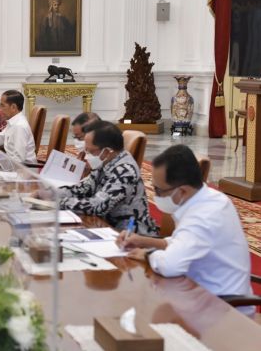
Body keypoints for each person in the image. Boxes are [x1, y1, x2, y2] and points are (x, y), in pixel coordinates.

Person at [117, 145, 254, 315]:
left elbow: (170, 265)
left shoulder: (203, 216)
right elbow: (182, 242)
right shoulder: (208, 198)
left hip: (224, 308)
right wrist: (144, 241)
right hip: (202, 293)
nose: (156, 195)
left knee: (140, 311)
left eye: (159, 190)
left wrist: (147, 255)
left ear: (181, 191)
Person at [58, 120, 157, 235]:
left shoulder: (125, 171)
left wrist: (59, 202)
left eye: (90, 151)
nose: (86, 154)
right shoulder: (106, 162)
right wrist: (49, 193)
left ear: (107, 151)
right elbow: (83, 188)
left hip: (131, 235)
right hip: (106, 227)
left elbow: (98, 205)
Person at [0, 90, 37, 164]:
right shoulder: (13, 122)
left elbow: (18, 160)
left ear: (13, 107)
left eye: (2, 105)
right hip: (13, 167)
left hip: (23, 171)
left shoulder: (19, 126)